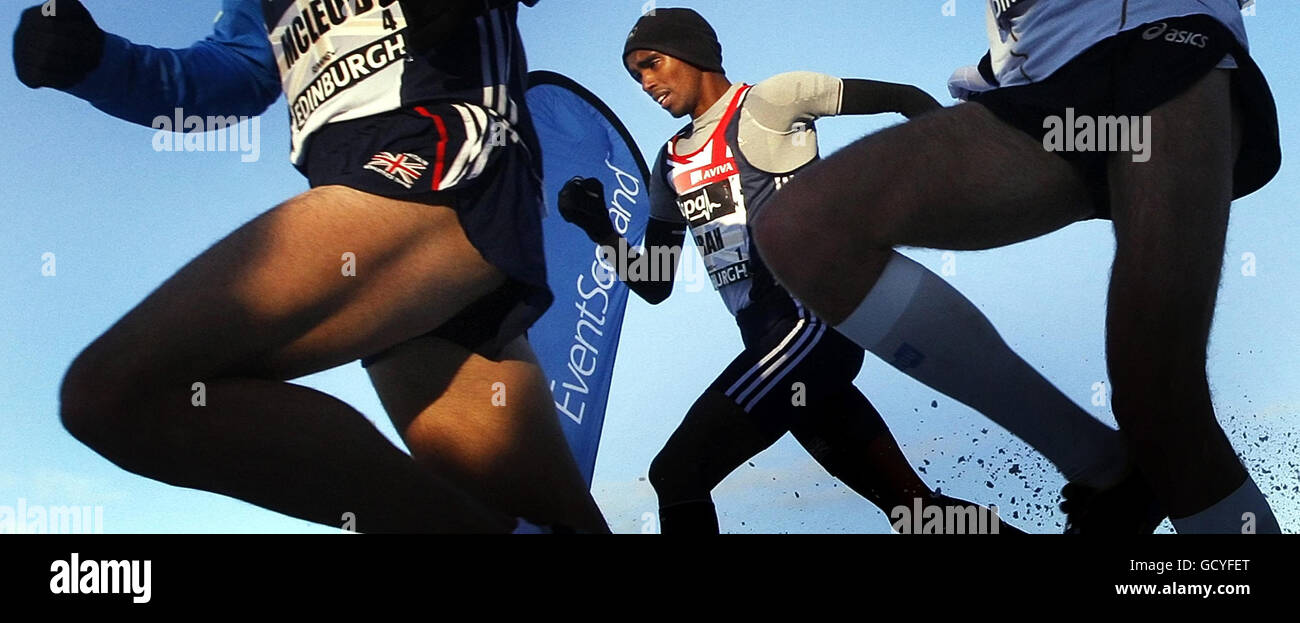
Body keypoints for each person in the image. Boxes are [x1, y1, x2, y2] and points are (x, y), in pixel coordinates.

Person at [15, 0, 608, 533]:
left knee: (114, 393)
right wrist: (97, 62)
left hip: (440, 149)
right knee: (559, 518)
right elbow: (237, 73)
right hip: (364, 196)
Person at [561, 8, 1138, 533]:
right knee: (913, 510)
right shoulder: (670, 161)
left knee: (677, 475)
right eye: (637, 75)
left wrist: (950, 176)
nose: (647, 84)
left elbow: (906, 96)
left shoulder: (770, 100)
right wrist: (599, 230)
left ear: (694, 54)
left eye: (652, 64)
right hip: (774, 348)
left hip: (808, 328)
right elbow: (657, 282)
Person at [750, 0, 1282, 533]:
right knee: (803, 231)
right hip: (1037, 75)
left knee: (1158, 400)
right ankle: (1104, 468)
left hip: (1164, 35)